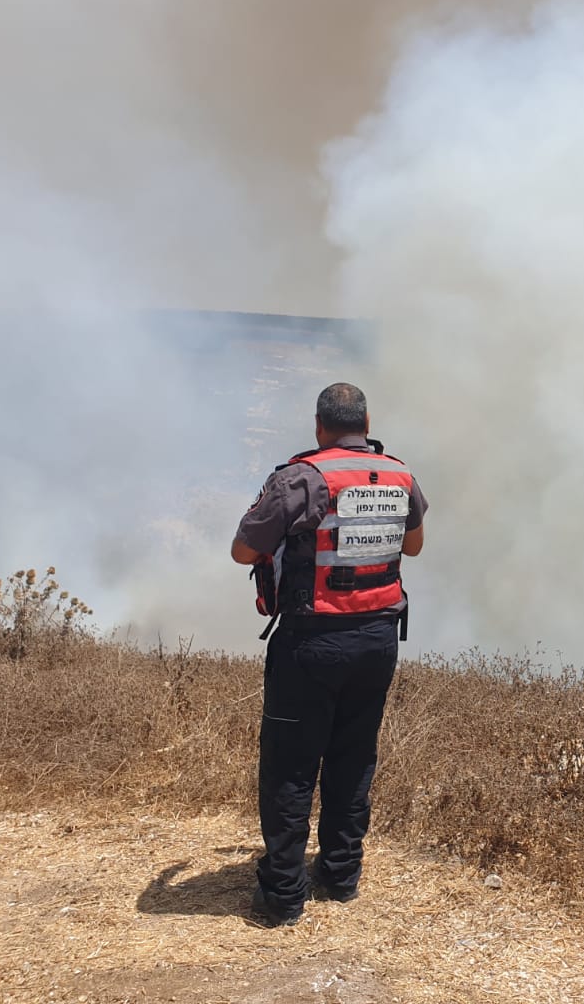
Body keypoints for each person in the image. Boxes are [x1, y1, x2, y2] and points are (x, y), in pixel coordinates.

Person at [230, 381, 427, 926]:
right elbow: (412, 544)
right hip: (379, 639)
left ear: (319, 426)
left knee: (291, 767)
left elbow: (243, 549)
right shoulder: (399, 474)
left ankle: (282, 896)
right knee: (353, 757)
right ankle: (340, 877)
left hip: (312, 641)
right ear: (367, 422)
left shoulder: (302, 476)